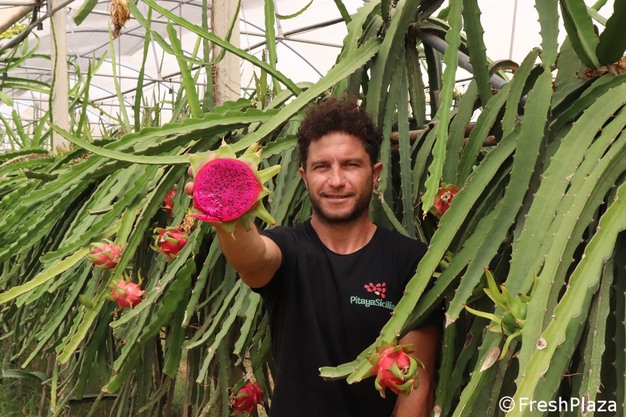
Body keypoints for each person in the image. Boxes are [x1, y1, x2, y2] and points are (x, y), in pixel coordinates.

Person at [185, 95, 440, 417]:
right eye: (322, 167)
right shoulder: (286, 248)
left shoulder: (412, 261)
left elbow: (416, 385)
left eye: (350, 165)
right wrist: (228, 209)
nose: (336, 181)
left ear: (375, 174)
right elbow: (252, 259)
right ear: (305, 177)